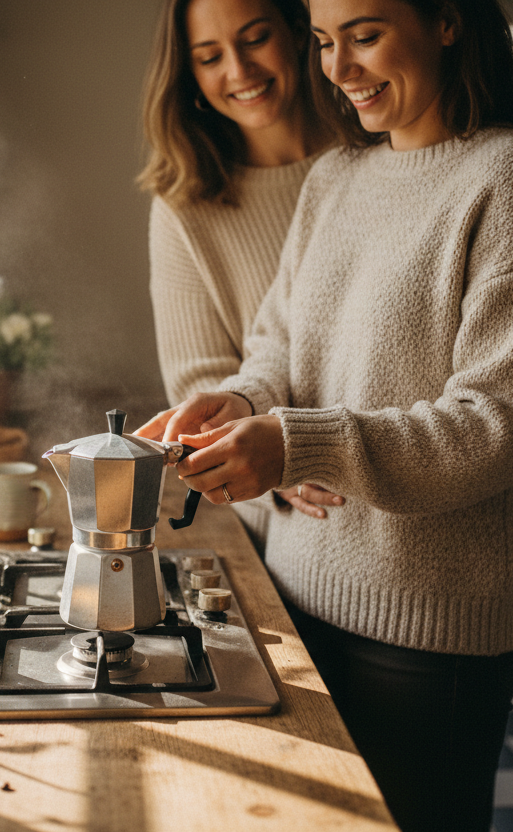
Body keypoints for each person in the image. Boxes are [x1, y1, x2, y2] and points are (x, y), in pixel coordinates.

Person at [138, 1, 513, 829]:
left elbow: (496, 427)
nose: (339, 70)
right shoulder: (336, 177)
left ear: (446, 20)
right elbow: (278, 347)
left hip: (429, 633)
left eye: (366, 36)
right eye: (322, 42)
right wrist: (242, 400)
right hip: (294, 597)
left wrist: (294, 443)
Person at [137, 0, 341, 554]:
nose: (239, 70)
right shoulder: (184, 204)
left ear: (297, 32)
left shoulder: (373, 154)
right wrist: (282, 467)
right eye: (210, 57)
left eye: (254, 39)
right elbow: (199, 383)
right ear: (191, 77)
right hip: (280, 527)